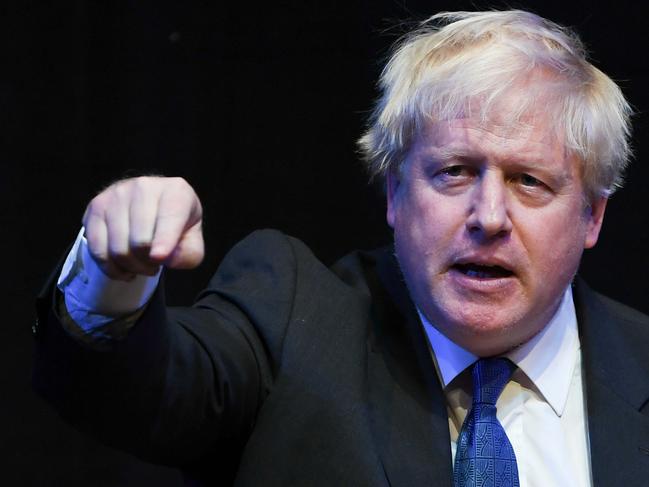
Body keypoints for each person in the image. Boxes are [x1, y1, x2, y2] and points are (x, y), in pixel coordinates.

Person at [34, 10, 649, 487]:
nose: (488, 217)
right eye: (455, 171)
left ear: (592, 215)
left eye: (529, 182)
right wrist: (111, 274)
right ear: (394, 192)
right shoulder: (292, 320)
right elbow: (134, 394)